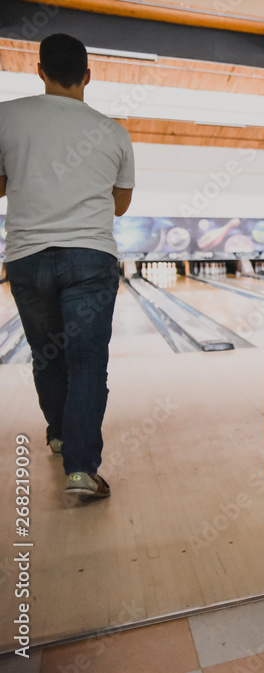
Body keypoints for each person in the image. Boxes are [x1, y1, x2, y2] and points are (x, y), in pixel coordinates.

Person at [0, 33, 135, 499]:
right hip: (90, 259)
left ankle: (58, 435)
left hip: (26, 257)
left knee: (48, 356)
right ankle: (81, 469)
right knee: (87, 362)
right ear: (88, 76)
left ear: (39, 71)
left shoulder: (6, 116)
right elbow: (120, 205)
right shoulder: (113, 130)